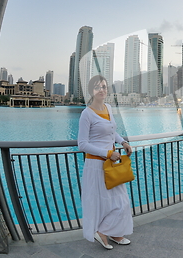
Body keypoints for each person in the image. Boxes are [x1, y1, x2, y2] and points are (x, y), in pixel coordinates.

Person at [78, 75, 133, 250]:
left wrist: (123, 142)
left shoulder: (108, 108)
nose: (102, 90)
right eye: (97, 87)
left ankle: (113, 232)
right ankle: (103, 232)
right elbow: (82, 144)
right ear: (91, 91)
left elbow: (112, 132)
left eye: (104, 86)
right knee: (103, 202)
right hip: (96, 166)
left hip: (110, 165)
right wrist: (108, 153)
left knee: (121, 201)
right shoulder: (86, 113)